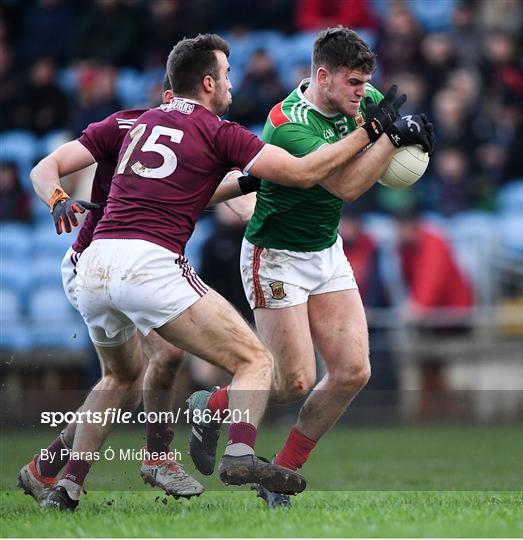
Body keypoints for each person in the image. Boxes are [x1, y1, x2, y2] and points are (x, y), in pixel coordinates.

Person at [30, 32, 409, 510]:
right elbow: (303, 173)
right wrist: (373, 135)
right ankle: (233, 453)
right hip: (150, 263)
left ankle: (63, 480)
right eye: (227, 75)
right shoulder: (222, 131)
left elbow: (57, 168)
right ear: (208, 84)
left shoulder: (135, 121)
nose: (233, 84)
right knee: (256, 362)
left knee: (132, 373)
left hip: (92, 260)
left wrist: (58, 198)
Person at [186, 27, 434, 508]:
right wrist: (386, 137)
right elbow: (345, 185)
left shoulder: (363, 101)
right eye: (354, 84)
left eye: (367, 83)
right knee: (288, 383)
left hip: (325, 250)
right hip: (276, 256)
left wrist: (415, 142)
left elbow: (386, 145)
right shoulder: (286, 123)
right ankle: (209, 407)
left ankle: (280, 472)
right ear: (323, 76)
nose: (364, 94)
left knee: (353, 371)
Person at [22, 73, 262, 508]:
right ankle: (155, 457)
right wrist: (58, 197)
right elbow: (43, 168)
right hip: (97, 262)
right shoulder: (124, 125)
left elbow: (213, 194)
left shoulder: (201, 135)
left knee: (129, 376)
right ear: (167, 98)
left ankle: (52, 468)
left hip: (133, 268)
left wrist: (255, 196)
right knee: (142, 368)